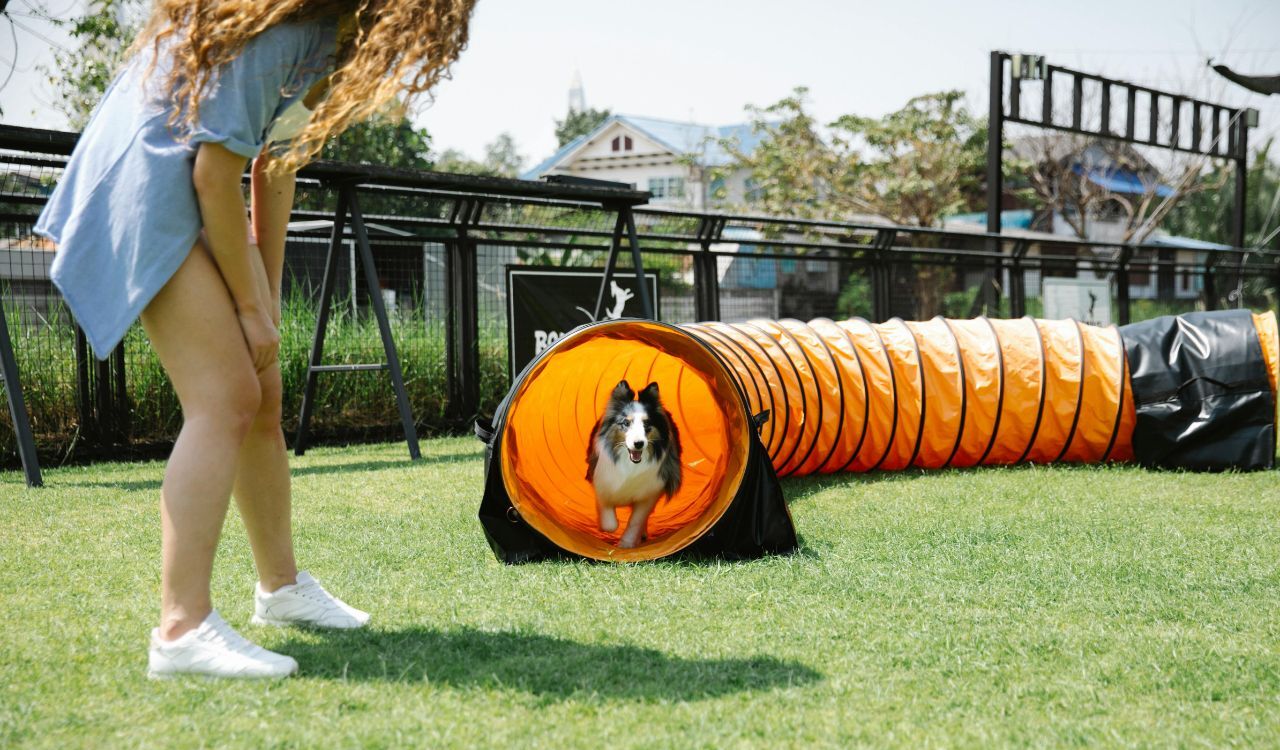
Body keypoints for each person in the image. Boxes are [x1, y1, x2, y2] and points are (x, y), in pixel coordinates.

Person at [34, 0, 477, 679]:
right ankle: (181, 630)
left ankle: (282, 590)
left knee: (260, 392)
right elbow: (214, 177)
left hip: (183, 188)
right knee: (224, 399)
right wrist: (246, 307)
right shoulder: (290, 32)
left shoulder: (332, 45)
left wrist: (262, 303)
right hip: (146, 186)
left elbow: (276, 165)